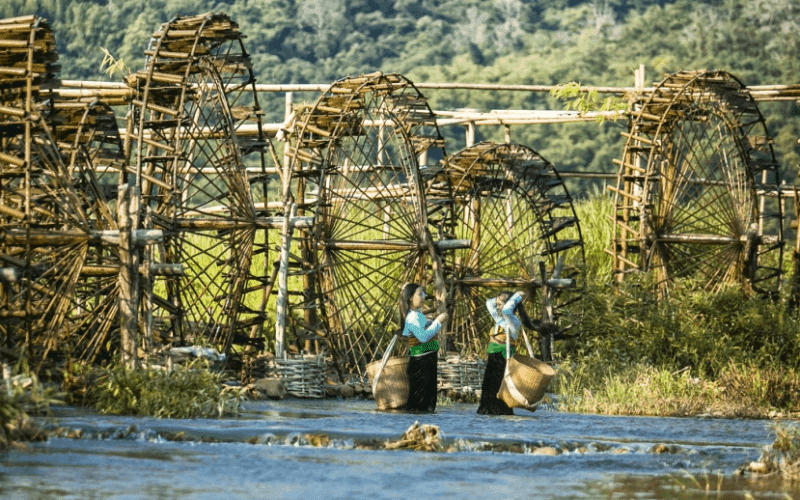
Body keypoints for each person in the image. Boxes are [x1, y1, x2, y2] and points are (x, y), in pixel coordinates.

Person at [476, 290, 538, 415]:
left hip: (504, 358)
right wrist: (499, 298)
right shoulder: (499, 319)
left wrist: (516, 297)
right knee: (488, 386)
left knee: (501, 387)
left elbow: (507, 310)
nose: (497, 307)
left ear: (509, 305)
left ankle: (501, 412)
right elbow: (488, 303)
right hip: (493, 356)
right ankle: (487, 411)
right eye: (497, 304)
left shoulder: (513, 321)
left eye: (499, 304)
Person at [398, 283, 448, 413]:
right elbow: (423, 337)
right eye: (420, 294)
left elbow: (423, 327)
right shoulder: (412, 317)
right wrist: (438, 321)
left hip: (427, 360)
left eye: (424, 294)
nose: (423, 297)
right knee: (420, 404)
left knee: (428, 400)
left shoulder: (417, 315)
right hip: (421, 363)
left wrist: (431, 322)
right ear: (410, 298)